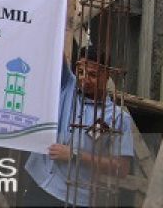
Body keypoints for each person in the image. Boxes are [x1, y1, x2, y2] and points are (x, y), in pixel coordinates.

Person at [21, 44, 135, 207]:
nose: (84, 79)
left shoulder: (117, 118)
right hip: (41, 184)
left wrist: (75, 156)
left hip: (77, 197)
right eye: (80, 72)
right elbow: (53, 46)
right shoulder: (68, 86)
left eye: (92, 75)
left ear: (107, 75)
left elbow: (121, 169)